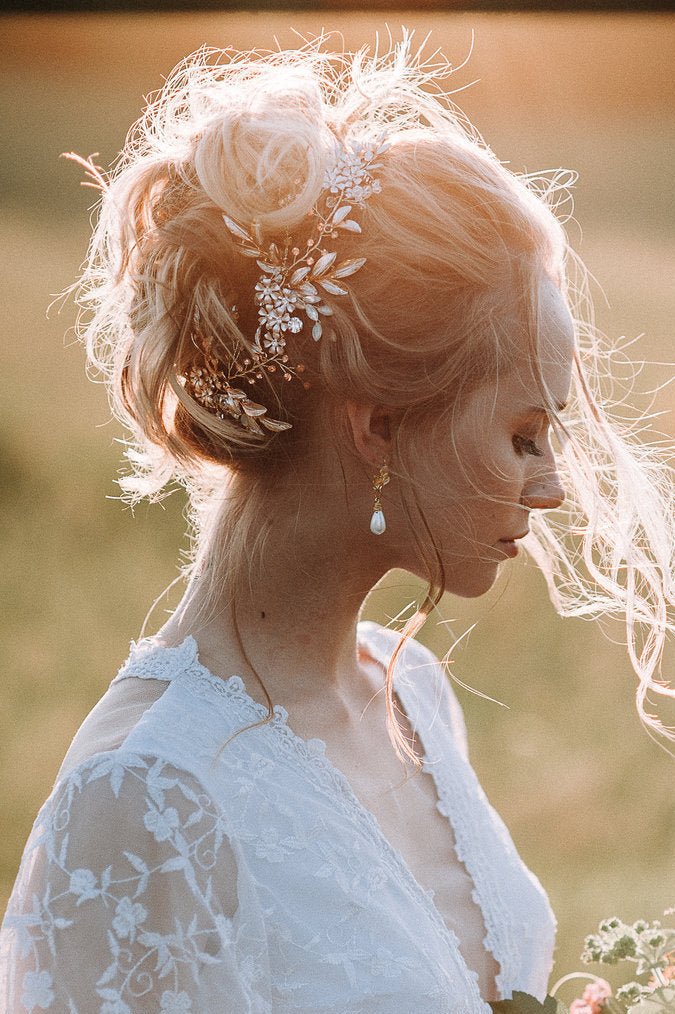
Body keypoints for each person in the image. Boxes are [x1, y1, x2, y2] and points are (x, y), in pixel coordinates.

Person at [1, 34, 673, 1014]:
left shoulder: (411, 697)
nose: (552, 489)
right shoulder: (145, 801)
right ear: (381, 423)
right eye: (525, 434)